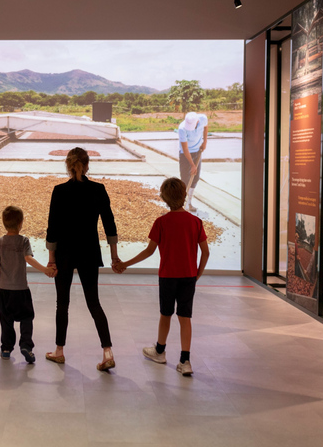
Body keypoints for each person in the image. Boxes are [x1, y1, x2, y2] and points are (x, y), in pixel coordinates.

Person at [114, 177, 209, 376]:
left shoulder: (161, 222)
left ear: (164, 198)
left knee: (165, 314)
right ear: (184, 195)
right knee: (185, 317)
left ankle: (159, 351)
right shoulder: (196, 222)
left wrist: (124, 264)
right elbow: (205, 252)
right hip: (188, 277)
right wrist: (197, 274)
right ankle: (185, 360)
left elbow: (149, 251)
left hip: (167, 277)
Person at [45, 147, 120, 371]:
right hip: (89, 252)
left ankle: (59, 351)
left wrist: (51, 259)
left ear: (68, 166)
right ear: (87, 165)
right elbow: (109, 225)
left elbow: (53, 228)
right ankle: (107, 352)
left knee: (62, 304)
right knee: (94, 303)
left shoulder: (59, 191)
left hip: (65, 254)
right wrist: (114, 257)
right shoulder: (98, 190)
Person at [0, 205, 56, 363]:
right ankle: (26, 345)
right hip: (21, 290)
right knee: (27, 317)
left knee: (6, 321)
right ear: (20, 223)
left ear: (4, 223)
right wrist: (45, 269)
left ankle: (6, 348)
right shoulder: (23, 241)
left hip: (4, 291)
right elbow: (28, 259)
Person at [178, 111, 208, 212]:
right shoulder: (182, 128)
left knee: (196, 177)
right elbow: (185, 149)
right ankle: (180, 205)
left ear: (197, 121)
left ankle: (189, 203)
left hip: (197, 151)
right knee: (185, 179)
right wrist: (192, 165)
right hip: (185, 155)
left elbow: (206, 127)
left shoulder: (202, 119)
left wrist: (205, 142)